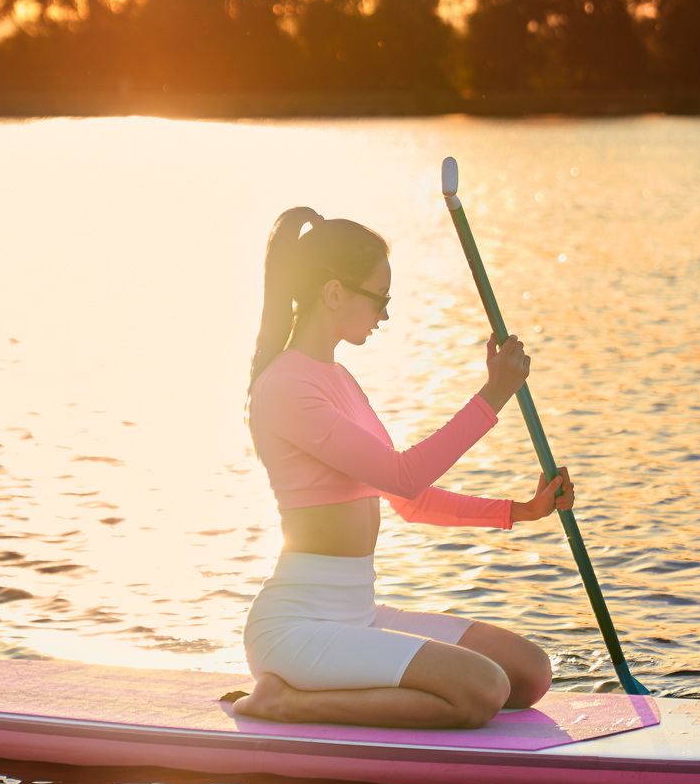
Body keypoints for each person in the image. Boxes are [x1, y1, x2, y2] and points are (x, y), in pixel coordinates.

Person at [233, 207, 573, 730]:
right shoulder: (286, 387)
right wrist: (494, 394)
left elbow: (408, 500)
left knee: (529, 673)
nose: (384, 315)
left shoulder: (339, 380)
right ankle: (285, 701)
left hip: (358, 613)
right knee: (482, 691)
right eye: (380, 299)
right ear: (334, 293)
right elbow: (405, 474)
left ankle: (308, 689)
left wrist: (522, 511)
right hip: (299, 625)